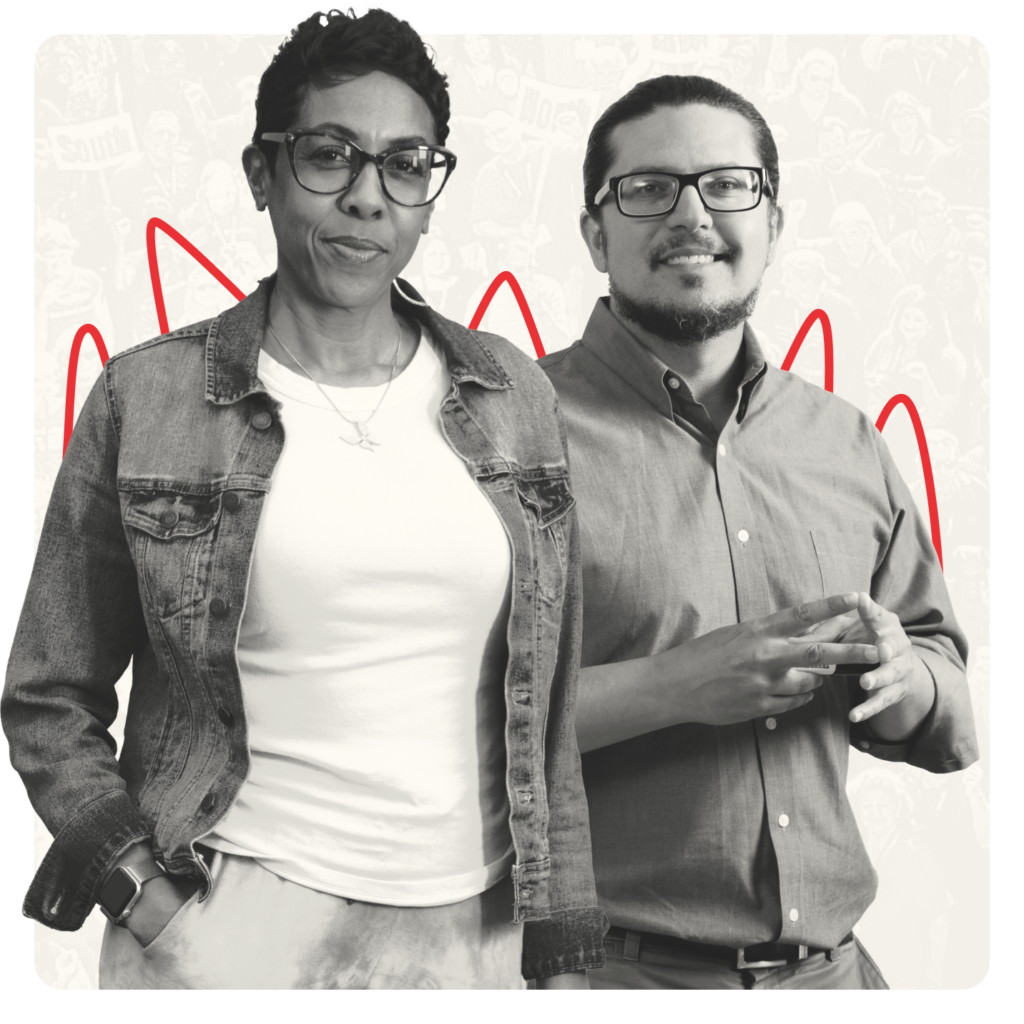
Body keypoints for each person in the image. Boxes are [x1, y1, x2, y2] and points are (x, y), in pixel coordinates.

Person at [6, 7, 604, 990]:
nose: (368, 198)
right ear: (262, 171)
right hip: (231, 917)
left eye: (407, 165)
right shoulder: (149, 396)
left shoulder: (513, 394)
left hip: (478, 928)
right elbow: (47, 691)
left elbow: (552, 709)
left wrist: (561, 944)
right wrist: (152, 906)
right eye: (331, 155)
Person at [538, 74, 978, 990]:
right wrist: (674, 685)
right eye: (649, 188)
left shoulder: (844, 439)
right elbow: (439, 721)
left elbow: (950, 709)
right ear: (594, 233)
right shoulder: (508, 434)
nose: (692, 214)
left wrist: (904, 680)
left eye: (728, 184)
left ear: (771, 223)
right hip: (606, 973)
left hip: (840, 971)